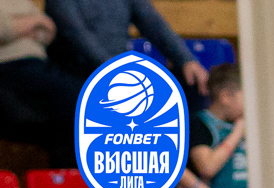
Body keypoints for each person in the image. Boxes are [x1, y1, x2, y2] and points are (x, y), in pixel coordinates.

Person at [44, 0, 208, 93]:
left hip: (118, 68)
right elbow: (75, 34)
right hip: (75, 70)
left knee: (188, 81)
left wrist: (186, 59)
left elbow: (153, 23)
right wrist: (112, 68)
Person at [0, 0, 78, 167]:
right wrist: (33, 23)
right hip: (9, 66)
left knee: (76, 101)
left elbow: (48, 31)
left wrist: (16, 25)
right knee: (71, 97)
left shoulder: (23, 2)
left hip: (39, 66)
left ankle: (66, 177)